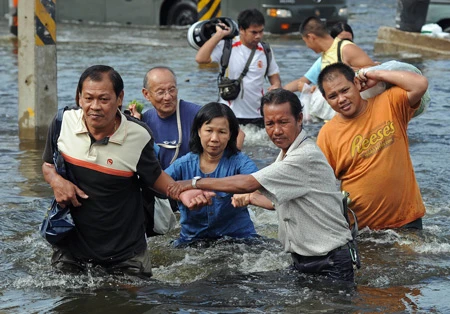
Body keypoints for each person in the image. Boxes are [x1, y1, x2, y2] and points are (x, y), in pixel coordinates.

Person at [168, 89, 358, 282]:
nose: (276, 131)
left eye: (283, 122)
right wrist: (251, 198)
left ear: (299, 119)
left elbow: (249, 182)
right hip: (305, 259)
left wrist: (192, 183)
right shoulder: (286, 154)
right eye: (269, 124)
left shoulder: (303, 156)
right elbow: (275, 202)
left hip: (330, 262)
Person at [41, 65, 201, 277]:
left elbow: (155, 177)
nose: (95, 106)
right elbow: (47, 165)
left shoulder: (138, 135)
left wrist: (183, 192)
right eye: (88, 98)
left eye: (104, 99)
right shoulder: (63, 122)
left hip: (125, 252)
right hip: (71, 247)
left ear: (119, 98)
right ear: (79, 97)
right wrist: (56, 181)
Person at [316, 62, 428, 230]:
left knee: (411, 256)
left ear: (356, 84)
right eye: (332, 96)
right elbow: (320, 183)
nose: (341, 99)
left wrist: (375, 75)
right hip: (361, 229)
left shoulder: (390, 103)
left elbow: (420, 84)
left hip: (407, 220)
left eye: (345, 90)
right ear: (326, 99)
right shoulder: (327, 134)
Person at [165, 102, 259, 247]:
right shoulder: (182, 164)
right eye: (209, 130)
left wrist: (247, 194)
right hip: (192, 240)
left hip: (239, 239)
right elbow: (159, 184)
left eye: (222, 132)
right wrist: (180, 194)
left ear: (230, 135)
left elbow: (257, 182)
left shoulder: (240, 162)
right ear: (198, 131)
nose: (214, 138)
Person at [195, 8, 281, 128]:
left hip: (258, 115)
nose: (258, 36)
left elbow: (274, 76)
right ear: (241, 30)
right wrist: (219, 35)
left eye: (261, 32)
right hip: (230, 113)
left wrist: (276, 85)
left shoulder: (266, 50)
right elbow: (201, 59)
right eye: (254, 32)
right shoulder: (227, 46)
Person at [284, 18, 373, 93]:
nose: (307, 46)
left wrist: (354, 72)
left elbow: (374, 70)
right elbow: (303, 81)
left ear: (311, 37)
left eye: (305, 41)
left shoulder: (345, 48)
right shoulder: (323, 57)